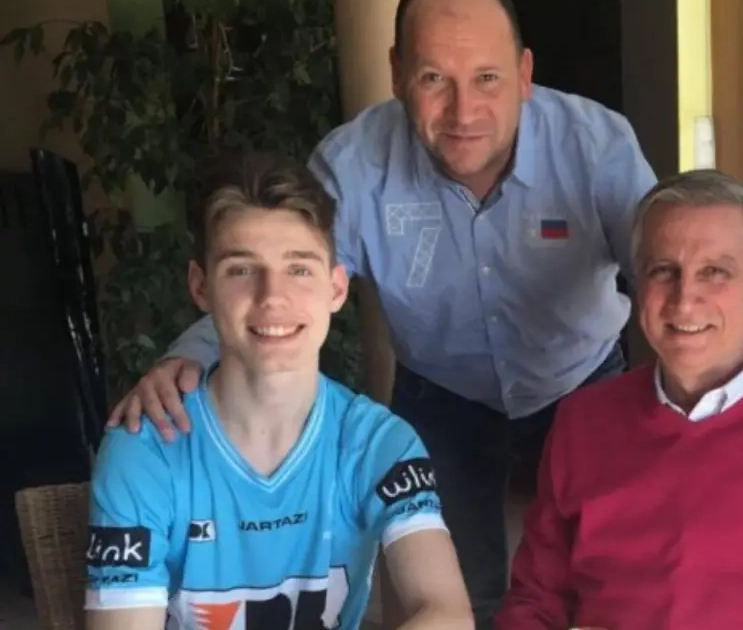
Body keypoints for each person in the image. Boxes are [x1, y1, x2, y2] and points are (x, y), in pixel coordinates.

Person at [104, 0, 658, 626]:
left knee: (613, 580)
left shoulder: (596, 145)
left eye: (487, 77)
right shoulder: (352, 165)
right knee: (461, 591)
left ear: (525, 73)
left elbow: (666, 277)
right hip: (443, 396)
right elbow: (282, 282)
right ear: (396, 73)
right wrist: (186, 358)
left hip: (581, 382)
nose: (464, 112)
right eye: (433, 78)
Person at [84, 152, 471, 630]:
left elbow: (445, 612)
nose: (272, 297)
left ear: (336, 288)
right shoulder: (144, 450)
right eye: (242, 270)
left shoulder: (379, 443)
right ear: (201, 287)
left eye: (299, 269)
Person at [494, 169, 743, 630]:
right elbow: (536, 598)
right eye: (663, 271)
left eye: (714, 272)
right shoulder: (584, 420)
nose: (685, 300)